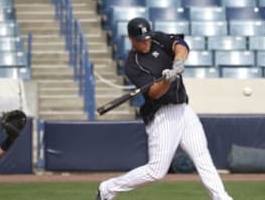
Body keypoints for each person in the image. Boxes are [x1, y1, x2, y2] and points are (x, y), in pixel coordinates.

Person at [95, 17, 233, 200]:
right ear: (131, 39)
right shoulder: (132, 64)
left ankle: (222, 198)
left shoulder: (157, 38)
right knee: (156, 172)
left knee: (202, 157)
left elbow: (181, 44)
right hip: (163, 115)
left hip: (183, 110)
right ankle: (108, 189)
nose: (145, 42)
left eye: (147, 38)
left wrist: (178, 62)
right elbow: (155, 93)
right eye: (140, 40)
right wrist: (168, 80)